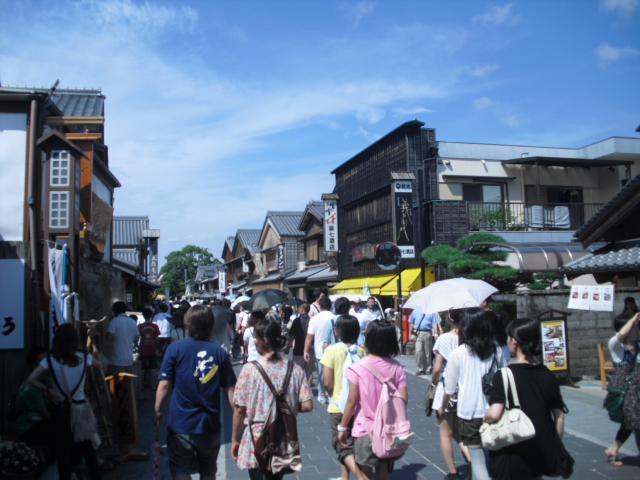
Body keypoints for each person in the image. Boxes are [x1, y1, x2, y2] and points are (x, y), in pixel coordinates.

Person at [484, 317, 573, 480]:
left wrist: (485, 418)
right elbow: (559, 416)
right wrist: (553, 445)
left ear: (514, 341)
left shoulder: (504, 375)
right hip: (540, 449)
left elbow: (495, 413)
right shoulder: (548, 375)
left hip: (513, 450)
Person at [154, 305, 237, 480]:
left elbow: (165, 385)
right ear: (210, 326)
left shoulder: (175, 349)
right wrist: (239, 414)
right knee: (208, 472)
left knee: (180, 469)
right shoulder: (219, 353)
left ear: (188, 326)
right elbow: (230, 389)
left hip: (181, 422)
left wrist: (158, 409)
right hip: (209, 423)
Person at [232, 318, 314, 480]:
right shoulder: (295, 369)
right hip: (281, 437)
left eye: (256, 338)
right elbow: (308, 405)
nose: (255, 342)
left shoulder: (249, 370)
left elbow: (239, 410)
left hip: (256, 437)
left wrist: (235, 439)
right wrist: (287, 405)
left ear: (264, 340)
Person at [439, 307, 506, 480]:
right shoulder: (496, 350)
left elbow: (450, 388)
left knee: (478, 462)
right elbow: (504, 378)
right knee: (491, 457)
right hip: (494, 411)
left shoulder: (459, 353)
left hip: (469, 413)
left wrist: (442, 406)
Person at [27, 323, 101, 480]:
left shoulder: (50, 360)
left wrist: (48, 390)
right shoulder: (84, 357)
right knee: (87, 449)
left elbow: (31, 379)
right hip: (80, 408)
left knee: (63, 452)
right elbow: (100, 365)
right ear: (75, 339)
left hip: (59, 408)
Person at [338, 320, 408, 480]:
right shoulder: (397, 368)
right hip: (389, 430)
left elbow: (351, 402)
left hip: (366, 429)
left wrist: (342, 427)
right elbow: (403, 399)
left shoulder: (358, 367)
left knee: (364, 475)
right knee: (384, 472)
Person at [321, 315, 365, 480]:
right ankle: (344, 477)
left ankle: (362, 477)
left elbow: (327, 381)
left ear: (337, 332)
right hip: (357, 406)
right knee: (353, 445)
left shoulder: (331, 351)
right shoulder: (361, 351)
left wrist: (329, 391)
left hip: (337, 405)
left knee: (342, 447)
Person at [431, 309, 470, 480]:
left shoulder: (444, 338)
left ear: (448, 318)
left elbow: (437, 368)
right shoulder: (469, 336)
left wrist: (433, 382)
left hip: (448, 387)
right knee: (458, 431)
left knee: (446, 433)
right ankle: (472, 459)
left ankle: (453, 473)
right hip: (465, 388)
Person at [604, 312, 640, 467]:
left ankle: (613, 449)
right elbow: (623, 334)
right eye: (633, 326)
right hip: (623, 391)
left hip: (636, 390)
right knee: (634, 420)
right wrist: (633, 319)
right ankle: (614, 449)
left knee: (631, 421)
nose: (636, 329)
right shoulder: (616, 345)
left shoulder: (637, 345)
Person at [14, 347, 55, 464]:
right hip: (28, 426)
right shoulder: (30, 388)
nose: (47, 365)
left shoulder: (47, 381)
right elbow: (46, 416)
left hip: (40, 422)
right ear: (34, 366)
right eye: (43, 362)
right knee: (60, 431)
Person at [304, 295, 335, 404]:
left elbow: (310, 335)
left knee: (321, 375)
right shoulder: (334, 317)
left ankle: (322, 395)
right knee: (333, 373)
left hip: (319, 351)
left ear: (320, 306)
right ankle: (331, 394)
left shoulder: (314, 319)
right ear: (330, 306)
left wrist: (305, 350)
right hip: (334, 350)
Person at [106, 301, 140, 376]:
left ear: (114, 311)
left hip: (117, 360)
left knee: (116, 381)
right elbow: (136, 339)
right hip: (129, 359)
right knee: (127, 381)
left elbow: (108, 338)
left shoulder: (114, 321)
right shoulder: (133, 322)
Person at [285, 303, 315, 384]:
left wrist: (288, 347)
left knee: (297, 372)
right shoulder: (312, 320)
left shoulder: (296, 321)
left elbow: (292, 336)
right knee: (309, 372)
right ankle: (308, 389)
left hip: (298, 350)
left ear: (301, 310)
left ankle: (299, 389)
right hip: (311, 350)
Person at [407, 308, 442, 375]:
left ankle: (428, 368)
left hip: (427, 332)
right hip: (418, 333)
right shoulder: (415, 311)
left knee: (427, 351)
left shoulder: (431, 312)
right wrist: (409, 333)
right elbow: (411, 322)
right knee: (418, 351)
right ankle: (420, 368)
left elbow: (435, 323)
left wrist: (436, 333)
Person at [138, 307, 161, 389]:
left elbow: (138, 338)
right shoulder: (155, 326)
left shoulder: (140, 326)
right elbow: (157, 338)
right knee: (153, 367)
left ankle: (141, 386)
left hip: (143, 349)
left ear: (143, 316)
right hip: (152, 349)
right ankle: (153, 386)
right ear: (151, 315)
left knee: (142, 368)